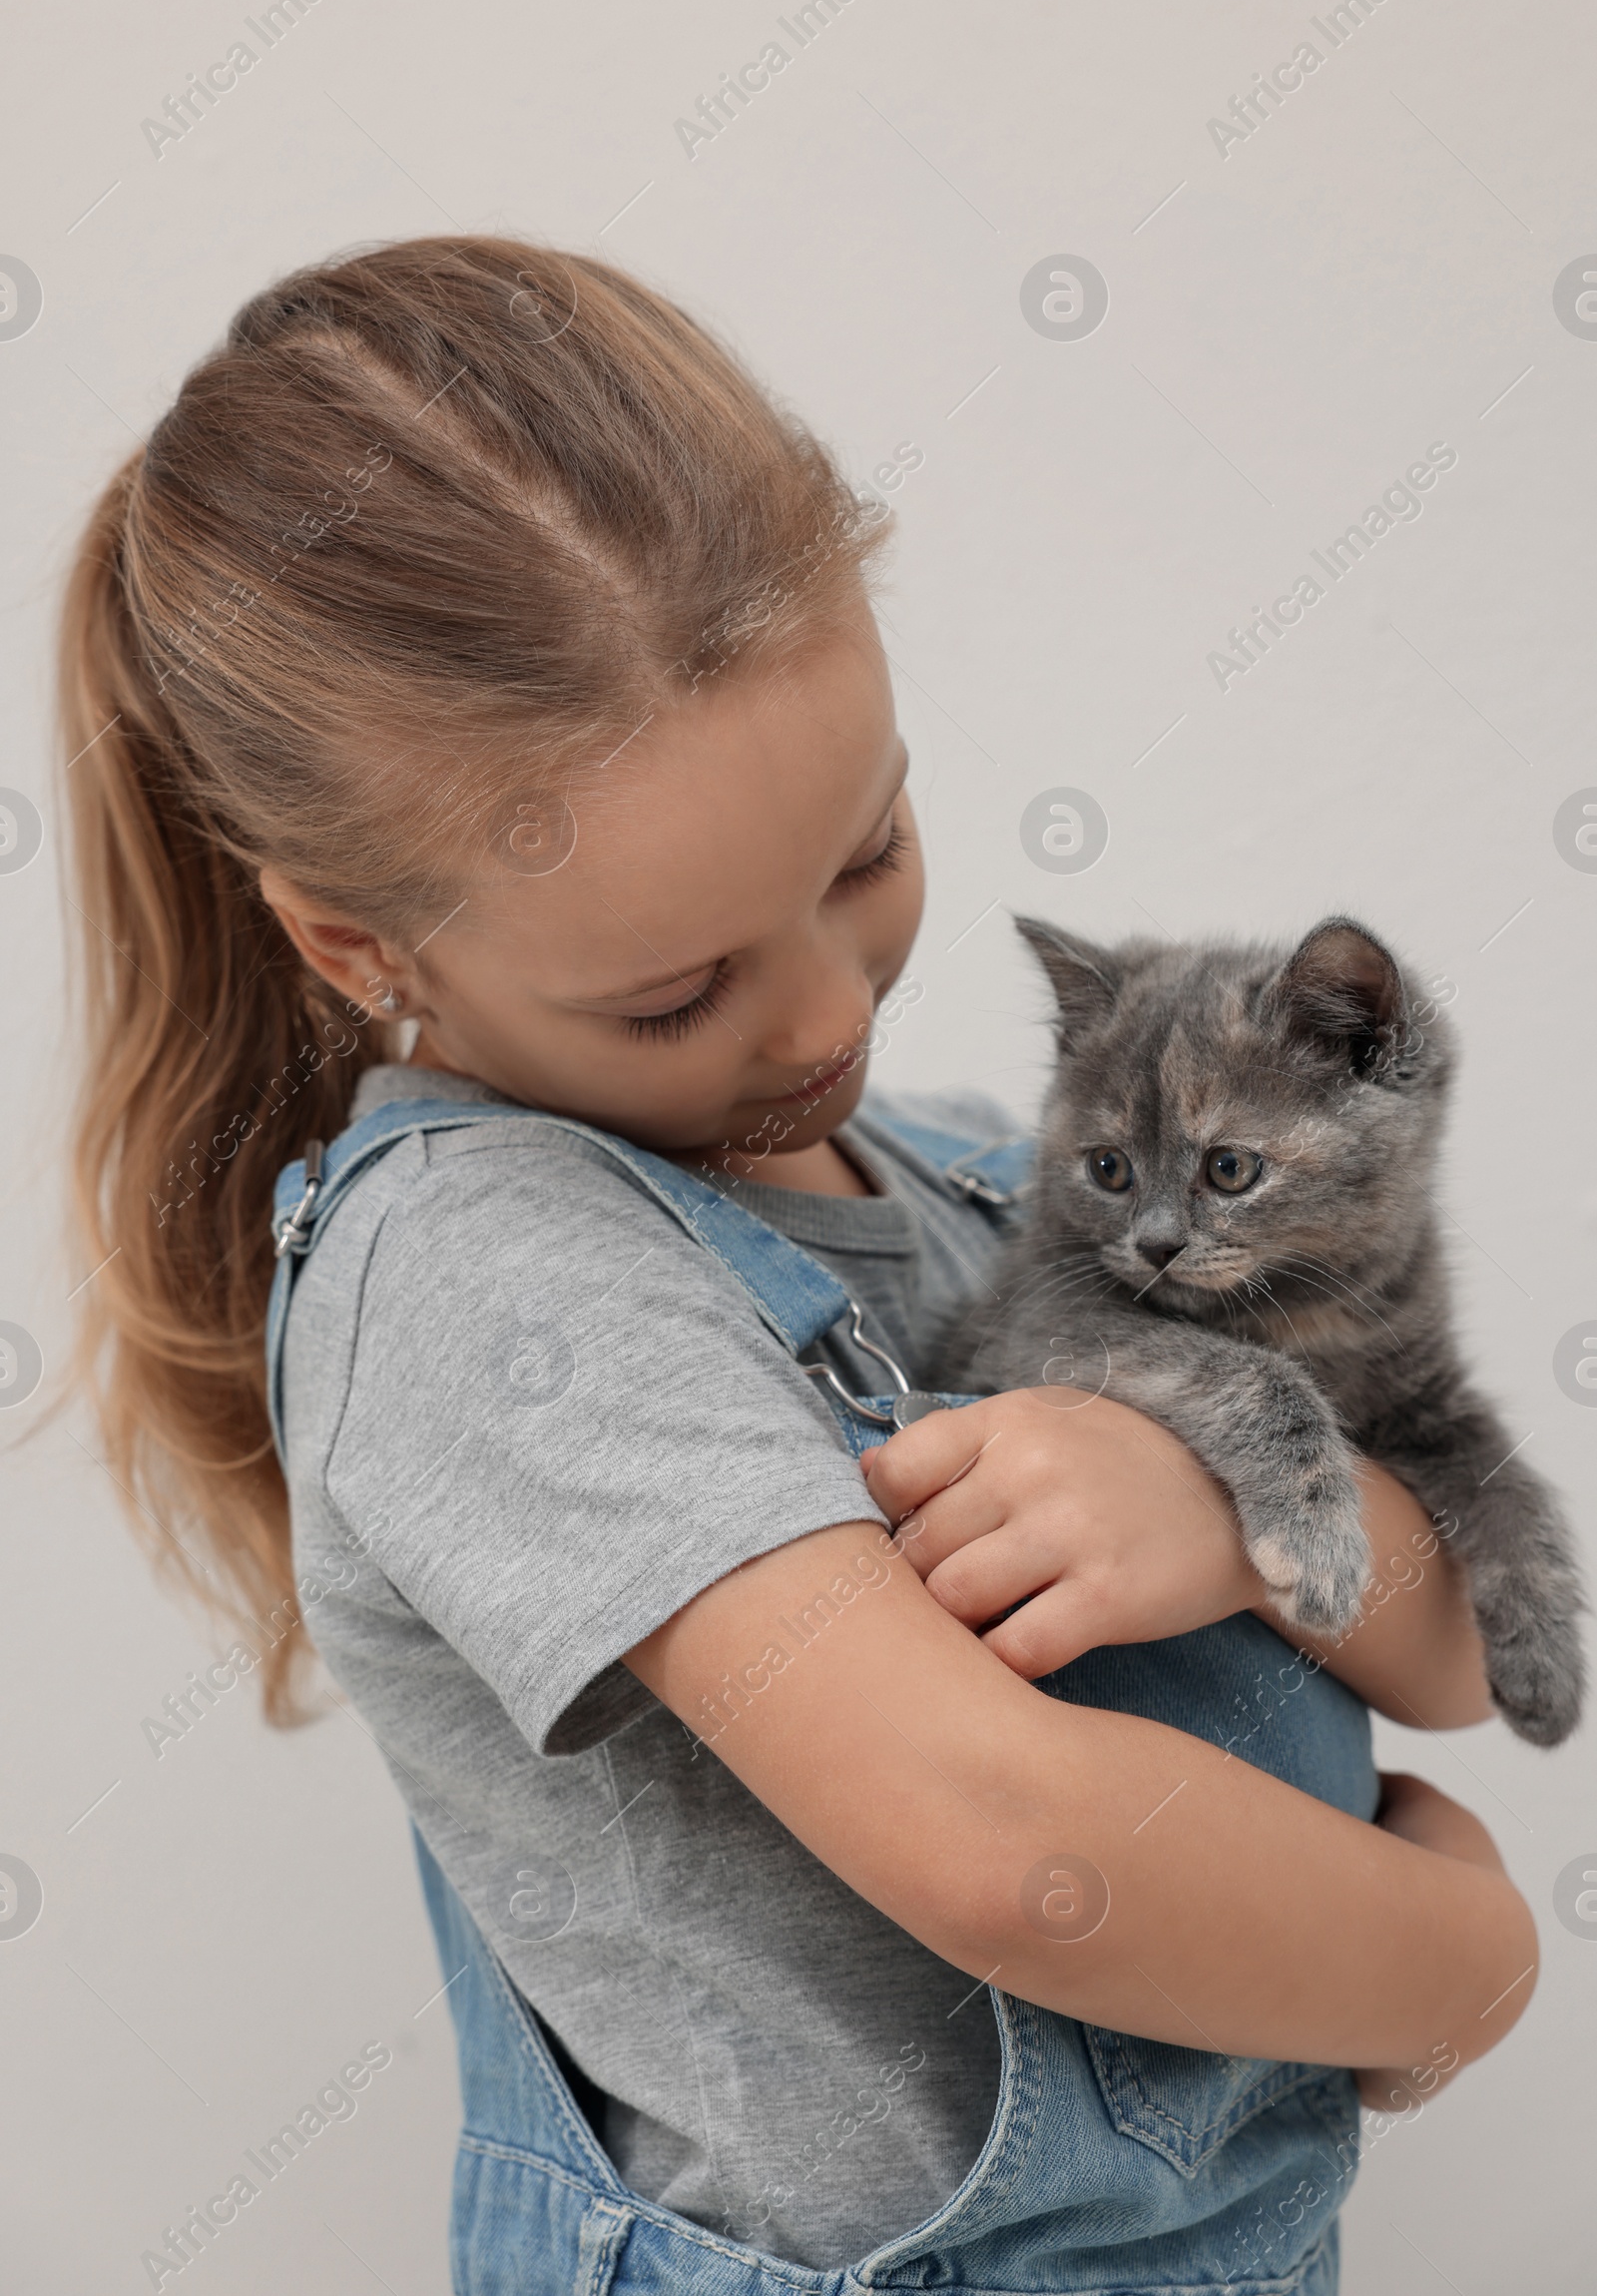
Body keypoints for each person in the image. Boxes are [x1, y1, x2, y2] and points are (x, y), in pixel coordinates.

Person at [61, 236, 1532, 2295]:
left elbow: (1459, 1648)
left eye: (865, 855)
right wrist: (1460, 1966)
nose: (824, 1016)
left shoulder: (954, 1184)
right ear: (360, 948)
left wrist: (1231, 1506)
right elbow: (1015, 1855)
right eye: (674, 994)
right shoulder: (487, 1280)